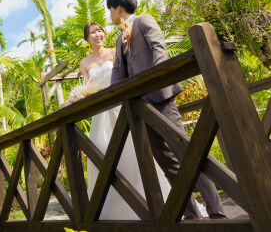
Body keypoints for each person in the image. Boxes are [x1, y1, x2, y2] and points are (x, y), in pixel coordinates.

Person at [107, 0, 227, 220]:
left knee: (186, 153)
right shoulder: (118, 38)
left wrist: (155, 80)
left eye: (110, 10)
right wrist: (112, 95)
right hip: (141, 108)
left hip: (160, 98)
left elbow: (159, 50)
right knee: (166, 161)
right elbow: (117, 73)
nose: (110, 14)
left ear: (118, 7)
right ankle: (192, 215)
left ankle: (217, 212)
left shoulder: (144, 20)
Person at [74, 21, 206, 220]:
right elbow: (88, 88)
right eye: (93, 32)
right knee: (106, 158)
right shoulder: (84, 63)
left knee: (137, 154)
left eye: (100, 30)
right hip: (101, 116)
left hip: (122, 109)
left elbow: (125, 74)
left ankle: (156, 203)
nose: (98, 34)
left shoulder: (114, 51)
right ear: (87, 39)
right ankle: (113, 211)